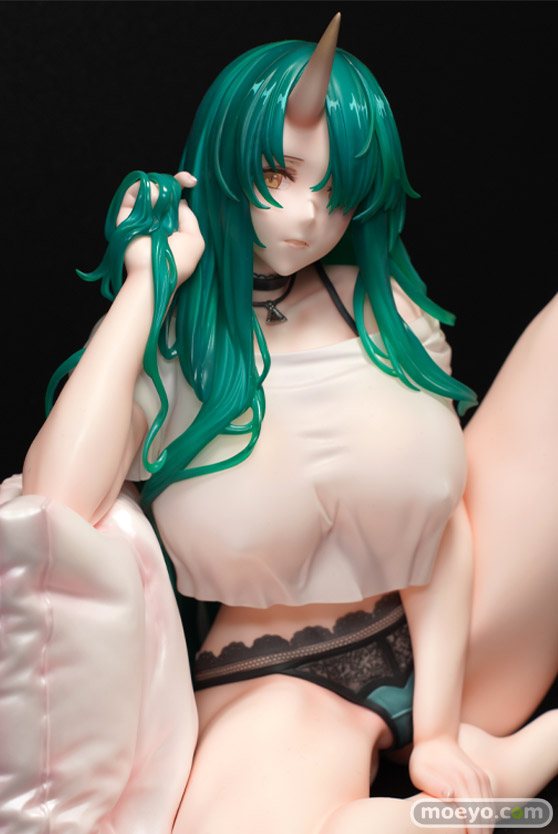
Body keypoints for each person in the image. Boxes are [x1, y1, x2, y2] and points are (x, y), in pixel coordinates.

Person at [18, 15, 557, 834]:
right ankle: (507, 786)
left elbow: (442, 526)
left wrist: (439, 730)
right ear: (226, 159)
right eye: (281, 174)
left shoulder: (381, 310)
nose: (309, 218)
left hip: (454, 638)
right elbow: (54, 511)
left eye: (338, 196)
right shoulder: (173, 344)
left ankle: (482, 767)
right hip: (276, 679)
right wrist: (148, 283)